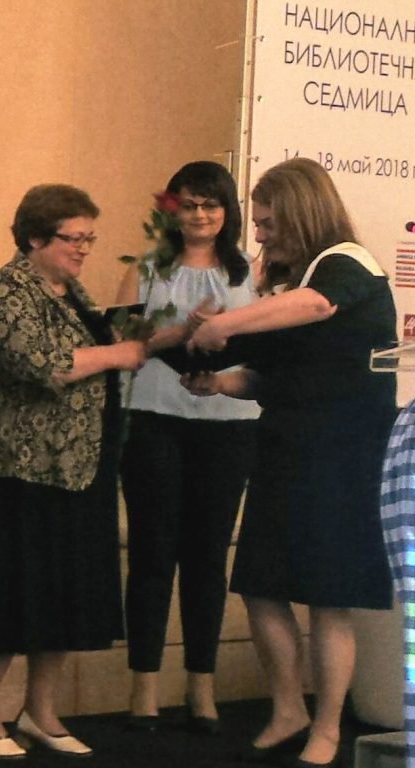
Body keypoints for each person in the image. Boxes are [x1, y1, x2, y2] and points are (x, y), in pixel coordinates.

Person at [184, 157, 396, 768]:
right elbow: (268, 377)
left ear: (303, 214)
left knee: (328, 598)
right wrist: (218, 382)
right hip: (284, 450)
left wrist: (226, 322)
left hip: (342, 458)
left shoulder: (348, 264)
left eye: (270, 223)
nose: (260, 235)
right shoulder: (284, 289)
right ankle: (287, 709)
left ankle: (327, 728)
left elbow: (318, 307)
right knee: (261, 585)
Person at [0, 183, 146, 759]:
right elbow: (47, 365)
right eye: (72, 238)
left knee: (62, 595)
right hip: (17, 471)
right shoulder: (4, 292)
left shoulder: (72, 292)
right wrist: (119, 354)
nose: (83, 249)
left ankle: (41, 711)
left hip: (77, 467)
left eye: (89, 239)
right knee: (6, 596)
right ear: (35, 237)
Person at [115, 161, 260, 731]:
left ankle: (202, 687)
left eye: (211, 204)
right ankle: (143, 690)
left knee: (207, 557)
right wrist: (180, 332)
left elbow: (267, 344)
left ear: (228, 211)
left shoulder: (250, 271)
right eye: (190, 204)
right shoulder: (148, 267)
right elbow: (119, 342)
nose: (200, 215)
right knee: (152, 554)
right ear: (171, 209)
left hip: (228, 423)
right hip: (154, 419)